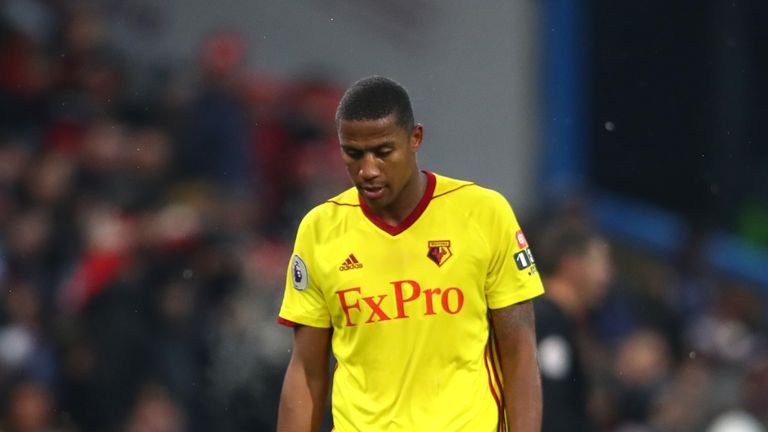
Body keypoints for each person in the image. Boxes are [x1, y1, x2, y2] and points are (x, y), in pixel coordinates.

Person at [276, 76, 544, 432]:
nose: (367, 170)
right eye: (352, 154)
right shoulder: (319, 230)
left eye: (383, 152)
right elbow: (306, 371)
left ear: (415, 138)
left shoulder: (483, 213)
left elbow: (519, 352)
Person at [533, 222, 612, 432]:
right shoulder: (546, 321)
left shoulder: (560, 323)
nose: (607, 277)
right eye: (601, 265)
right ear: (571, 265)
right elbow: (547, 409)